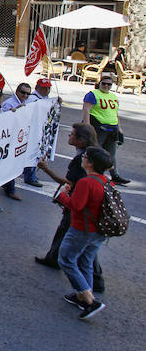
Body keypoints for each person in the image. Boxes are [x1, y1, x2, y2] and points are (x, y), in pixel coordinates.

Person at [34, 123, 106, 292]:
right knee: (69, 235)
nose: (69, 136)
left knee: (81, 249)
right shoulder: (94, 154)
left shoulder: (82, 160)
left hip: (83, 212)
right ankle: (53, 258)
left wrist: (47, 171)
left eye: (72, 134)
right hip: (90, 210)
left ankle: (90, 286)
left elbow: (71, 188)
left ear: (80, 140)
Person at [55, 146, 113, 320]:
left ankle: (89, 300)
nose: (82, 158)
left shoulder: (86, 182)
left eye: (85, 156)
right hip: (98, 231)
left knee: (66, 259)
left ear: (90, 163)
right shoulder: (105, 181)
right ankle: (82, 295)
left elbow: (76, 206)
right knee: (85, 260)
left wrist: (62, 195)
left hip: (82, 229)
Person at [82, 74, 128, 185]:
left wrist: (119, 128)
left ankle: (115, 175)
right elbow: (86, 110)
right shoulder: (93, 94)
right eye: (104, 84)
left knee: (111, 154)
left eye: (109, 84)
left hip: (112, 128)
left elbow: (115, 113)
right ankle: (85, 173)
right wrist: (88, 126)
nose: (106, 86)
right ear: (99, 84)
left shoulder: (113, 97)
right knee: (94, 151)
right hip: (99, 127)